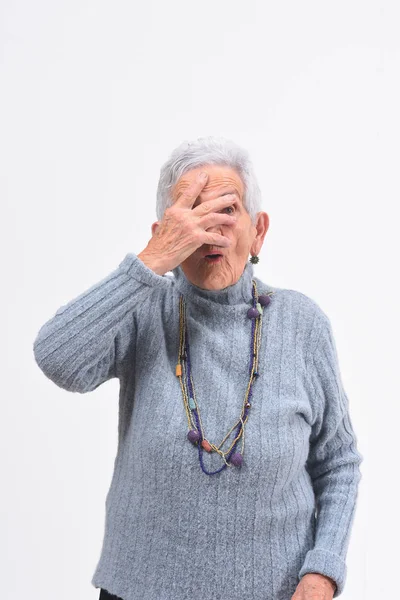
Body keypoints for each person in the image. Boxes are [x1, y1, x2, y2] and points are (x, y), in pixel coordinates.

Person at [33, 136, 363, 600]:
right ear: (166, 231)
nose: (212, 229)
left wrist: (324, 570)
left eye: (227, 210)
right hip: (138, 589)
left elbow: (339, 462)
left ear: (258, 231)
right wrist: (151, 262)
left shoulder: (300, 324)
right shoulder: (143, 309)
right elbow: (58, 358)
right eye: (194, 214)